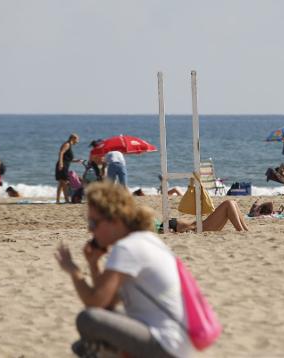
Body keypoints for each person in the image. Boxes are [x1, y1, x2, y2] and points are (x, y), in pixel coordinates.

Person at [54, 182, 192, 358]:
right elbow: (107, 303)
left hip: (167, 345)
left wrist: (74, 271)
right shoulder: (144, 239)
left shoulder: (127, 248)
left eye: (93, 222)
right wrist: (94, 263)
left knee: (87, 319)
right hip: (179, 342)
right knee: (91, 335)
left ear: (114, 221)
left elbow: (94, 303)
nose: (89, 229)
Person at [162, 200, 249, 233]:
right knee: (228, 203)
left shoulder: (172, 224)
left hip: (205, 224)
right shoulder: (173, 228)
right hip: (204, 227)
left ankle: (245, 229)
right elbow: (169, 231)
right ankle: (240, 230)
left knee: (233, 202)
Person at [56, 134, 81, 203]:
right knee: (65, 182)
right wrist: (61, 163)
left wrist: (77, 161)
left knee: (61, 183)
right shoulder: (67, 144)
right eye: (77, 139)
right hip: (63, 165)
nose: (77, 141)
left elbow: (68, 159)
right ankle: (66, 200)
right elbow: (61, 153)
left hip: (64, 165)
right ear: (73, 138)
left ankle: (58, 200)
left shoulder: (69, 145)